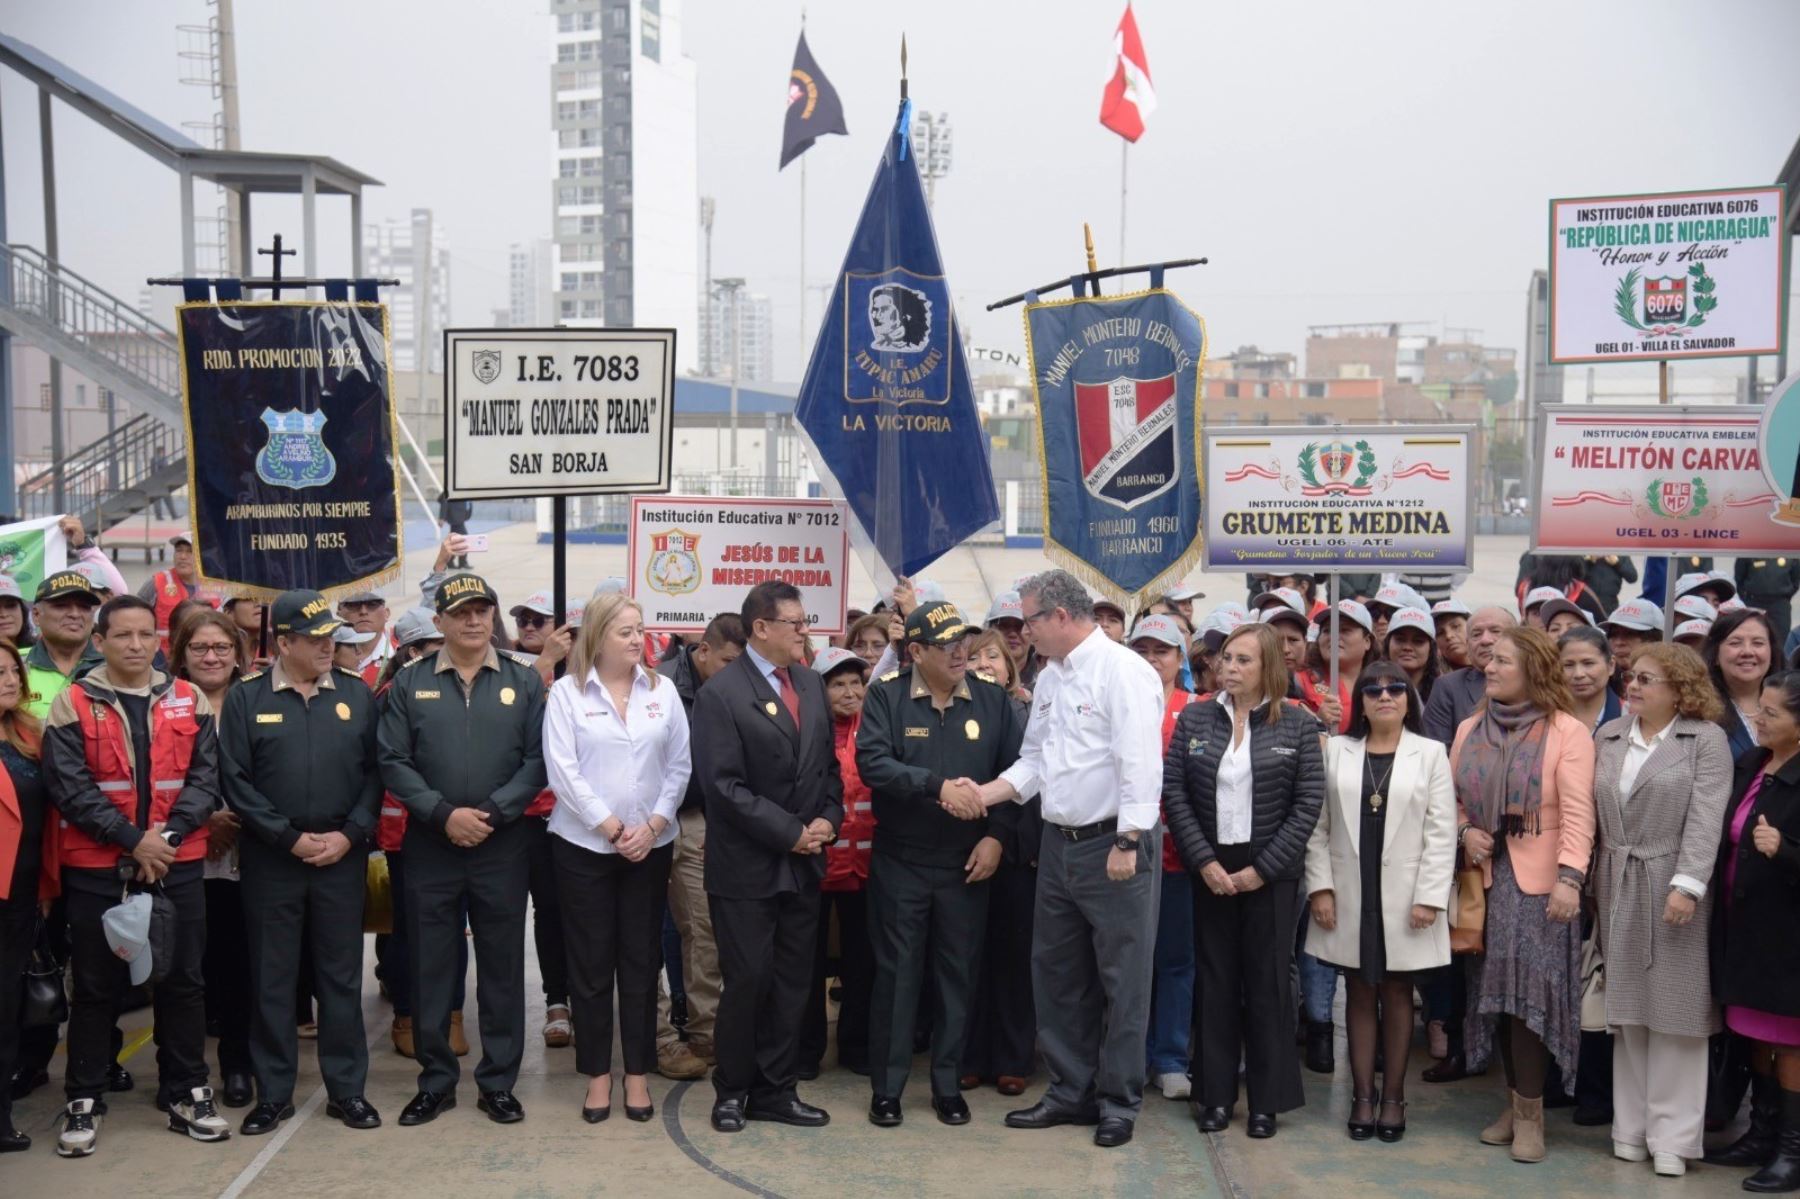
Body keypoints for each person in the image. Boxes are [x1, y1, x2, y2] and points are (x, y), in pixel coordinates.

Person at [968, 570, 1161, 1150]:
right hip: (1059, 845)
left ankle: (1118, 1101)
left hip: (1113, 845)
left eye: (1028, 620)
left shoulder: (1124, 671)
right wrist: (983, 794)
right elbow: (1035, 763)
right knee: (1055, 975)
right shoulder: (1049, 680)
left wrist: (1129, 839)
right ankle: (1068, 1091)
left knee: (1123, 980)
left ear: (1059, 616)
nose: (1022, 633)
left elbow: (1140, 764)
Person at [44, 594, 231, 1156]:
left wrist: (166, 839)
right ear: (99, 642)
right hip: (99, 868)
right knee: (96, 988)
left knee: (183, 982)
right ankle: (84, 1097)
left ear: (159, 641)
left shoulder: (187, 696)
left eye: (145, 634)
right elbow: (69, 788)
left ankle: (187, 1090)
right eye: (122, 635)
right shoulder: (73, 702)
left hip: (176, 862)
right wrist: (132, 841)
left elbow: (205, 778)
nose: (135, 644)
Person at [378, 572, 548, 1127]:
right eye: (461, 612)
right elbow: (393, 760)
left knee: (501, 966)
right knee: (431, 965)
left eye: (482, 611)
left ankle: (498, 1082)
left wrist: (493, 814)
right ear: (441, 621)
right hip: (432, 844)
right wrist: (442, 813)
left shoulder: (524, 683)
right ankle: (436, 1081)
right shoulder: (411, 682)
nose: (474, 621)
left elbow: (538, 760)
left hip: (503, 844)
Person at [220, 590, 384, 1135]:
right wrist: (287, 838)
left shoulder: (358, 696)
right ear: (282, 642)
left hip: (341, 858)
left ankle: (347, 1091)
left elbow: (374, 775)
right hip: (274, 863)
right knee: (274, 977)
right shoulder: (246, 699)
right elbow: (236, 782)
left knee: (340, 979)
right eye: (314, 638)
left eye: (329, 637)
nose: (327, 645)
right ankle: (274, 1094)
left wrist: (350, 834)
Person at [856, 599, 1023, 1128]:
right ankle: (888, 1088)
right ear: (916, 652)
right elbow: (874, 763)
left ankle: (947, 1085)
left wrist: (996, 837)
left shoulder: (994, 702)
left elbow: (1019, 775)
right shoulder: (886, 697)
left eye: (963, 643)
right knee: (897, 977)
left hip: (966, 863)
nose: (960, 653)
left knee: (958, 975)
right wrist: (937, 786)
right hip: (902, 861)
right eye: (946, 645)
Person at [692, 580, 843, 1133]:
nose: (806, 632)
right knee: (749, 980)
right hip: (748, 867)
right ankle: (732, 1089)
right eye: (796, 624)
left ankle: (777, 1090)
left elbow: (827, 766)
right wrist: (790, 832)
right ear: (762, 628)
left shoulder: (806, 681)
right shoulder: (722, 694)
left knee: (792, 984)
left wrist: (829, 817)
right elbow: (724, 787)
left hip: (804, 862)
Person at [1164, 622, 1325, 1139]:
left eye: (1243, 660)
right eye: (1226, 659)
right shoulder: (1195, 719)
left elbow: (1307, 805)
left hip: (1270, 875)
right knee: (1214, 984)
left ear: (1268, 668)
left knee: (1267, 986)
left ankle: (1266, 1102)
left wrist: (1264, 868)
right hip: (1210, 867)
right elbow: (1176, 795)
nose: (1229, 668)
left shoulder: (1297, 725)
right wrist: (1204, 862)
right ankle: (1213, 1096)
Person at [544, 590, 690, 1125]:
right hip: (584, 846)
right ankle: (598, 1076)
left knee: (640, 961)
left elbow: (679, 766)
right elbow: (563, 771)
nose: (637, 639)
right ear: (599, 636)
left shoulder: (663, 690)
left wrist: (651, 825)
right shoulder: (566, 694)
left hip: (649, 846)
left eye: (640, 629)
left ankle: (636, 1074)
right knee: (590, 964)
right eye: (625, 631)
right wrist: (610, 826)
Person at [1451, 626, 1596, 1164]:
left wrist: (1570, 877)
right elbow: (1455, 805)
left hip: (1542, 888)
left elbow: (1580, 814)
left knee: (1530, 1001)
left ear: (1533, 670)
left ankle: (1532, 1116)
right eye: (1487, 660)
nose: (1488, 666)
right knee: (1500, 1002)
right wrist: (1467, 834)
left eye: (1503, 661)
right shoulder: (1469, 728)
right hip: (1486, 881)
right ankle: (1515, 1106)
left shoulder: (1567, 731)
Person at [1590, 643, 1731, 1176]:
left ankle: (1672, 1135)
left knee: (1676, 1010)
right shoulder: (1608, 735)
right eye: (1633, 676)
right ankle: (1629, 1128)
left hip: (1671, 881)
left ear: (1680, 688)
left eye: (1648, 679)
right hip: (1616, 880)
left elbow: (1706, 816)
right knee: (1626, 1010)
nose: (1634, 685)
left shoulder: (1705, 740)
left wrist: (1688, 885)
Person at [1306, 660, 1455, 1143]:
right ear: (1361, 703)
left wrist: (1431, 897)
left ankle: (1393, 1097)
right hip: (1350, 891)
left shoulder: (1430, 753)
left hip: (1407, 897)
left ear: (1410, 698)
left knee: (1396, 992)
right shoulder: (1337, 752)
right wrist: (1321, 888)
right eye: (1374, 689)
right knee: (1358, 990)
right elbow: (1318, 828)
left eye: (1395, 688)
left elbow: (1441, 832)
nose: (1385, 695)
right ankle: (1362, 1096)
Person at [1711, 672, 1800, 1191]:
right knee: (1756, 1038)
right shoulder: (1754, 763)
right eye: (1759, 710)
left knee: (1789, 1043)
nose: (1758, 720)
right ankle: (1761, 1135)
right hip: (1744, 926)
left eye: (1772, 714)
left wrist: (1784, 851)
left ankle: (1792, 1149)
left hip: (1787, 937)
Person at [654, 612, 746, 1080]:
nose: (736, 670)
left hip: (697, 818)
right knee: (643, 935)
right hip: (642, 822)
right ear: (702, 650)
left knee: (704, 927)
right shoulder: (658, 684)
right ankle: (658, 1038)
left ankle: (706, 1031)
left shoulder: (734, 688)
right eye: (729, 660)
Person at [171, 609, 254, 1109]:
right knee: (184, 969)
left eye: (221, 648)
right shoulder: (165, 702)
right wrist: (203, 826)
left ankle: (238, 1065)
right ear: (182, 654)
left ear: (237, 654)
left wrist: (234, 821)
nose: (211, 657)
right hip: (182, 854)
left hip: (245, 855)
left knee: (237, 963)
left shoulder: (255, 699)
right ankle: (180, 1070)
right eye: (200, 648)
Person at [370, 609, 460, 1061]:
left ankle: (453, 1014)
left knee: (453, 929)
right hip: (405, 831)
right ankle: (406, 1014)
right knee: (409, 927)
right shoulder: (390, 695)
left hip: (452, 827)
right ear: (410, 651)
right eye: (431, 647)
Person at [960, 629, 1040, 1095]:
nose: (984, 664)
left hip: (1017, 851)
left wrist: (1004, 838)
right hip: (961, 849)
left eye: (994, 656)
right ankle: (969, 1055)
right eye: (973, 657)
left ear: (1011, 666)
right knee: (968, 959)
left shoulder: (1029, 713)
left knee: (1014, 959)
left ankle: (1013, 1058)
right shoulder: (955, 710)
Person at [1129, 615, 1200, 1100]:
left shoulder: (1199, 709)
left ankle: (1170, 1057)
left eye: (1163, 651)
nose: (1153, 661)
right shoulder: (1117, 704)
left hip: (1179, 859)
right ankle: (1129, 1057)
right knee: (1127, 964)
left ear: (1181, 658)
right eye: (1144, 650)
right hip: (1126, 856)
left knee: (1176, 962)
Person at [802, 647, 875, 1079]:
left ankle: (857, 1045)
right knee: (805, 965)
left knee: (862, 963)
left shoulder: (877, 730)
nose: (850, 692)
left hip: (866, 871)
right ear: (819, 689)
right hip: (815, 866)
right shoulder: (806, 731)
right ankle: (805, 1049)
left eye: (856, 683)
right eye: (838, 684)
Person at [0, 639, 48, 1152]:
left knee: (8, 1005)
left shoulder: (29, 735)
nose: (11, 679)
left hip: (25, 890)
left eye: (14, 670)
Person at [1423, 606, 1516, 747]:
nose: (1485, 640)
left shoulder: (1537, 683)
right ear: (1468, 645)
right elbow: (1436, 754)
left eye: (1495, 631)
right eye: (1476, 634)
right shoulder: (1448, 687)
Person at [1708, 609, 1780, 762]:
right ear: (1715, 656)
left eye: (1758, 643)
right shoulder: (1700, 710)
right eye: (1735, 643)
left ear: (1772, 653)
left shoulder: (1791, 707)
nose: (1747, 651)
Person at [136, 531, 220, 653]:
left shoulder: (220, 586)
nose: (183, 556)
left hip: (205, 657)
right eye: (179, 550)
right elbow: (135, 618)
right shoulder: (157, 583)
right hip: (163, 660)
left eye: (190, 551)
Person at [1304, 600, 1378, 736]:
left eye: (1344, 630)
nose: (1334, 636)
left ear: (1367, 641)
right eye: (1327, 630)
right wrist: (1315, 720)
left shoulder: (1386, 680)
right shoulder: (1299, 680)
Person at [1560, 626, 1622, 735]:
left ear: (1611, 665)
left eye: (1588, 663)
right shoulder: (1543, 718)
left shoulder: (1631, 716)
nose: (1578, 674)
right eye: (1568, 665)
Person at [1738, 558, 1800, 652]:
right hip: (1754, 602)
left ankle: (1780, 666)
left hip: (1780, 604)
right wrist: (1748, 598)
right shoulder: (1751, 550)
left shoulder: (1789, 553)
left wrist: (1784, 596)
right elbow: (1739, 579)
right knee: (1752, 637)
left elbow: (1796, 580)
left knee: (1781, 642)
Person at [1383, 607, 1442, 703]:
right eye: (1400, 639)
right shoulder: (1370, 686)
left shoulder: (1445, 692)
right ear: (1388, 643)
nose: (1407, 647)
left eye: (1418, 641)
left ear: (1431, 649)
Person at [1601, 599, 1666, 682]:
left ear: (1656, 640)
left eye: (1630, 634)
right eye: (1613, 634)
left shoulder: (1670, 686)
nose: (1619, 642)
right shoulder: (1598, 684)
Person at [336, 590, 392, 686]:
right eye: (353, 605)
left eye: (372, 604)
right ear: (339, 614)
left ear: (386, 613)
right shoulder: (325, 656)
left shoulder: (400, 654)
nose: (363, 611)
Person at [1434, 599, 1473, 672]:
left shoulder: (1493, 667)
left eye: (1455, 626)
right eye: (1440, 632)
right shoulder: (1434, 678)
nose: (1448, 636)